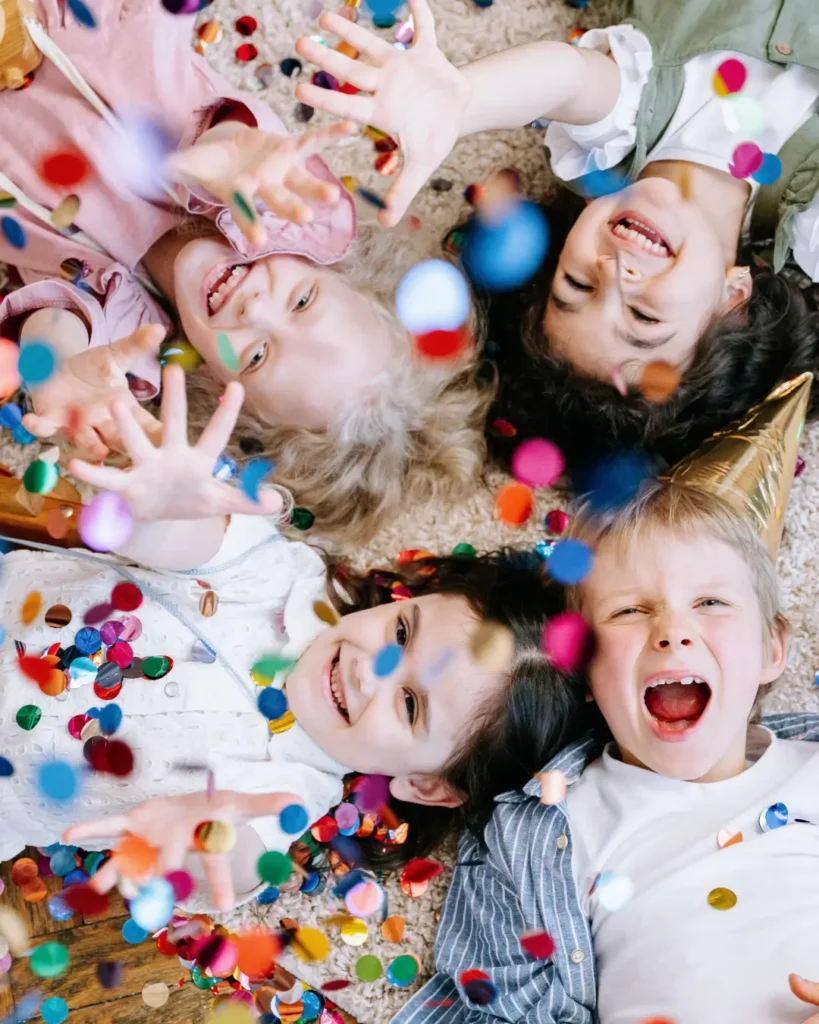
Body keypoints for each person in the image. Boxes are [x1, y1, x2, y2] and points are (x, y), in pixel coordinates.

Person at [0, 368, 584, 911]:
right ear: (409, 599)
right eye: (401, 632)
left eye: (410, 704)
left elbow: (239, 862)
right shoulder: (283, 578)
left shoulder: (289, 791)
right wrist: (162, 507)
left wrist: (202, 837)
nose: (369, 669)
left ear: (427, 785)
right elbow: (180, 541)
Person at [0, 0, 491, 543]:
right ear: (334, 261)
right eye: (302, 300)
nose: (255, 308)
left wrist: (60, 370)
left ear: (217, 388)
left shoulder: (133, 346)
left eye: (257, 356)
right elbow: (225, 139)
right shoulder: (280, 197)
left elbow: (60, 320)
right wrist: (231, 149)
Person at [298, 0, 819, 480]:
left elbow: (567, 79)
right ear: (734, 302)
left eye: (577, 285)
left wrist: (464, 102)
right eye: (644, 318)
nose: (613, 274)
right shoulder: (808, 224)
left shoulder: (617, 132)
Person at [392, 480, 819, 1023]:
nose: (673, 631)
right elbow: (498, 1000)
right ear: (584, 671)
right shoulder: (546, 829)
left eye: (710, 602)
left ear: (771, 648)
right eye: (629, 611)